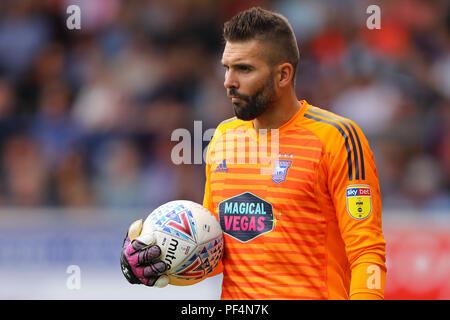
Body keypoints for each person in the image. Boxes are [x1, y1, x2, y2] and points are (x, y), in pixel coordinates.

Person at [120, 7, 386, 300]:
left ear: (283, 75)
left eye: (244, 69)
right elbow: (213, 251)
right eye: (227, 67)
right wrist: (157, 263)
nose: (228, 81)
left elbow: (367, 253)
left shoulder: (337, 138)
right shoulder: (222, 138)